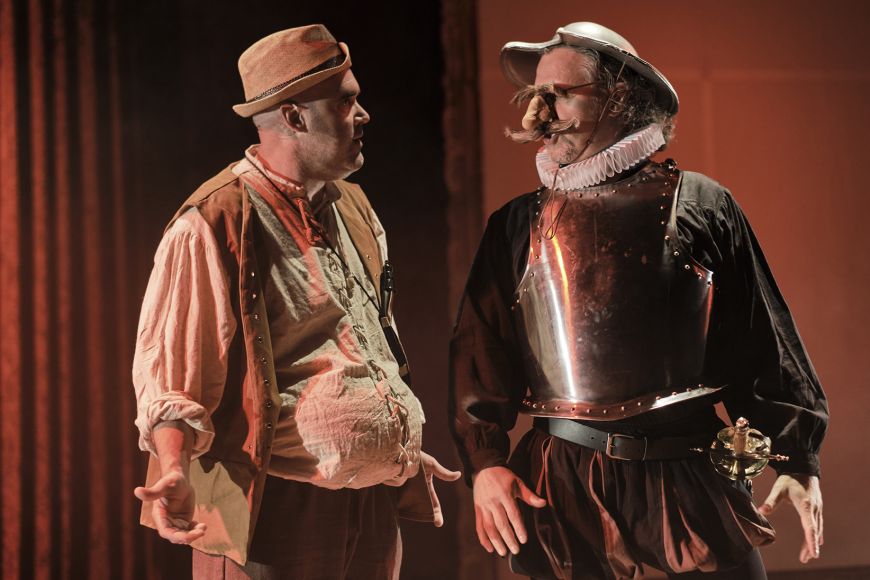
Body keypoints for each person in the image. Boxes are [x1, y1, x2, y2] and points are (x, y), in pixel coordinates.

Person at [449, 22, 826, 580]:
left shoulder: (700, 203)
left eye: (560, 93)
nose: (537, 114)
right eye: (535, 95)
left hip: (687, 464)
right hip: (563, 476)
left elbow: (762, 340)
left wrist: (797, 457)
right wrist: (484, 462)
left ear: (620, 97)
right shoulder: (515, 224)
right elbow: (479, 352)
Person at [132, 24, 459, 579]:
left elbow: (366, 345)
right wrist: (173, 466)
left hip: (372, 505)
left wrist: (385, 446)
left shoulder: (353, 206)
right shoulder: (214, 222)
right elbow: (174, 379)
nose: (363, 115)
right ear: (294, 117)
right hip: (275, 511)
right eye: (346, 101)